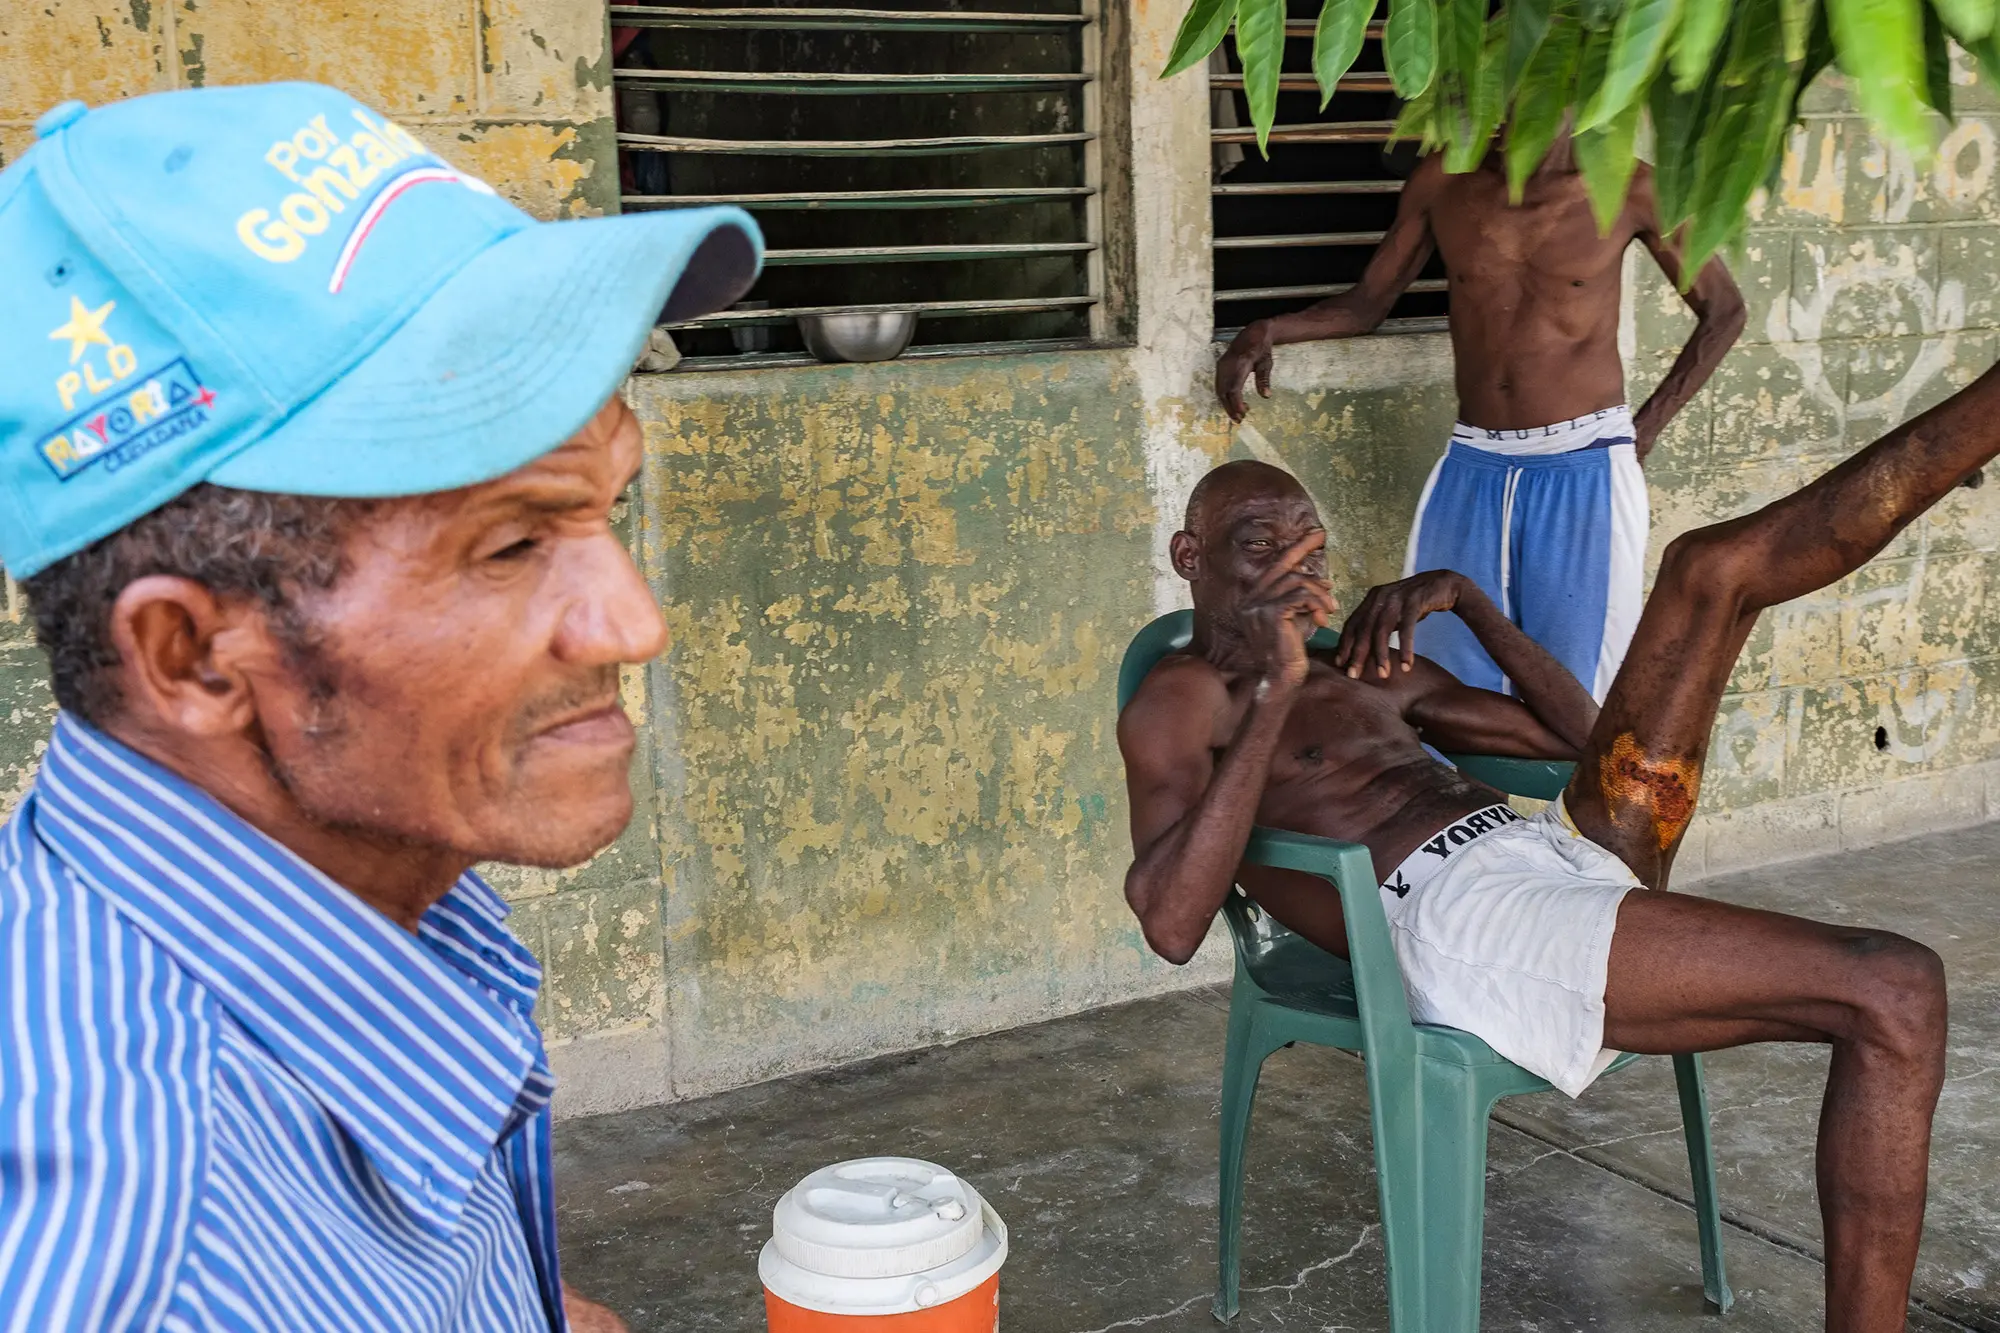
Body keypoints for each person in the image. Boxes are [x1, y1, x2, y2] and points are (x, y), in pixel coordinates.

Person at [0, 82, 763, 1332]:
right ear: (189, 656)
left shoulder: (345, 889)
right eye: (512, 545)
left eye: (604, 508)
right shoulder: (141, 1264)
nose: (632, 624)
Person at [1116, 350, 2000, 1324]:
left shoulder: (1364, 676)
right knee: (1891, 985)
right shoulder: (1181, 699)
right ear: (1186, 556)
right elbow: (1167, 921)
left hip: (1548, 849)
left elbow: (1583, 741)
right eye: (1258, 546)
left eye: (1311, 550)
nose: (1295, 570)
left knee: (1707, 568)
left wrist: (1467, 599)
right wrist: (1275, 689)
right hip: (1460, 913)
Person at [1214, 136, 1746, 701]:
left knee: (1581, 685)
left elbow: (1724, 310)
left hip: (1585, 458)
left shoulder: (1633, 185)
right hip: (1474, 460)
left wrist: (1642, 434)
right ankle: (1475, 795)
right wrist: (1267, 329)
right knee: (1440, 671)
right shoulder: (1445, 177)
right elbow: (1367, 303)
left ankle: (1578, 795)